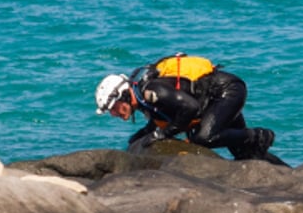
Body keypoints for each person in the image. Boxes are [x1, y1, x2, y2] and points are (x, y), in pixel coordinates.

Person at [94, 53, 283, 163]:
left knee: (203, 137)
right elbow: (161, 120)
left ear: (123, 96)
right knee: (245, 156)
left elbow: (190, 108)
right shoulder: (145, 102)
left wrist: (163, 134)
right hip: (214, 100)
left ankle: (258, 135)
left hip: (226, 91)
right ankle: (285, 171)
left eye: (113, 107)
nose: (113, 114)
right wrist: (139, 138)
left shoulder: (152, 91)